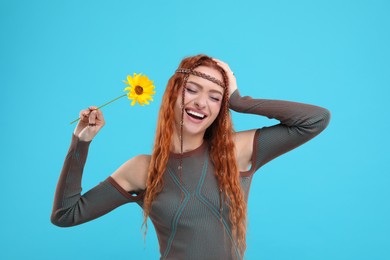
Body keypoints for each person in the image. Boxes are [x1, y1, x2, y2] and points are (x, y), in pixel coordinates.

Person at [51, 54, 331, 260]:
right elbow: (66, 215)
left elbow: (316, 120)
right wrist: (81, 142)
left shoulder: (235, 151)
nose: (200, 102)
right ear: (173, 94)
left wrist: (240, 102)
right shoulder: (142, 169)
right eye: (192, 90)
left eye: (215, 97)